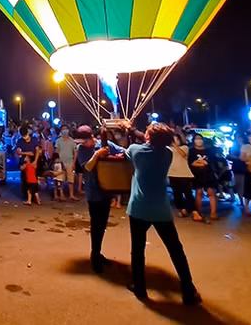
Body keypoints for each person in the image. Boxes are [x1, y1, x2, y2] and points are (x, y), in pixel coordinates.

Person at [125, 124, 201, 305]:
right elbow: (152, 141)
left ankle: (140, 288)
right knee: (176, 250)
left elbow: (131, 149)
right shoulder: (167, 154)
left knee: (138, 250)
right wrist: (133, 129)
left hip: (139, 208)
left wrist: (130, 130)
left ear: (148, 137)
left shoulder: (135, 151)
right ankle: (188, 290)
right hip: (161, 210)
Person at [80, 126, 125, 273]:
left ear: (91, 137)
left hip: (106, 191)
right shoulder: (82, 149)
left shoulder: (106, 144)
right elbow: (87, 167)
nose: (82, 144)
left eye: (84, 141)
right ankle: (95, 255)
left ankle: (97, 253)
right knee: (96, 225)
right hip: (93, 193)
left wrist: (119, 156)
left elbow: (124, 151)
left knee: (102, 224)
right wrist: (97, 155)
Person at [188, 134, 218, 223]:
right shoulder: (191, 151)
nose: (198, 140)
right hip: (197, 175)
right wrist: (201, 163)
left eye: (200, 139)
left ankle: (213, 213)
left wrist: (198, 163)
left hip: (209, 174)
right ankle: (198, 212)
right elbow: (192, 163)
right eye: (196, 139)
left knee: (211, 192)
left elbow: (208, 162)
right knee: (199, 192)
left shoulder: (209, 151)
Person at [168, 133, 195, 217]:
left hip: (184, 173)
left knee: (188, 193)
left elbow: (183, 154)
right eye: (173, 139)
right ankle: (182, 209)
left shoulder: (185, 147)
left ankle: (192, 209)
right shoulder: (168, 149)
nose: (175, 141)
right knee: (177, 193)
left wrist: (175, 146)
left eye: (177, 139)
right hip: (172, 173)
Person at [55, 124, 78, 200]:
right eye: (63, 129)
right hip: (61, 163)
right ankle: (61, 195)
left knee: (71, 180)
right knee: (60, 179)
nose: (65, 130)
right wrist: (58, 161)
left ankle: (71, 195)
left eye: (66, 129)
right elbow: (56, 151)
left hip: (70, 162)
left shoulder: (72, 141)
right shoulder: (58, 141)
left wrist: (74, 163)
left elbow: (75, 152)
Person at [15, 126, 36, 199]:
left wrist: (35, 161)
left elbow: (36, 151)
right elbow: (18, 152)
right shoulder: (20, 141)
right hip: (24, 162)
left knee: (33, 180)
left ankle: (33, 196)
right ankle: (26, 196)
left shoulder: (34, 140)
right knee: (25, 179)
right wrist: (28, 153)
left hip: (32, 162)